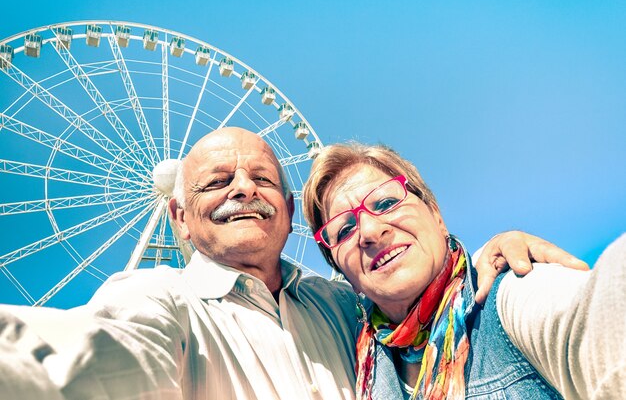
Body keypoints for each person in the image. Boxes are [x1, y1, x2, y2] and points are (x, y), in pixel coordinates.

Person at [0, 128, 588, 400]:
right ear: (178, 217)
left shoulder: (354, 309)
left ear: (285, 215)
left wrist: (501, 251)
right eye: (216, 182)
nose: (243, 190)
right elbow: (104, 357)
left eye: (262, 179)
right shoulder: (158, 299)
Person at [302, 141, 625, 400]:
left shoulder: (512, 295)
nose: (369, 232)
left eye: (386, 203)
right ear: (343, 274)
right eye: (344, 230)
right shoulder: (358, 367)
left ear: (436, 215)